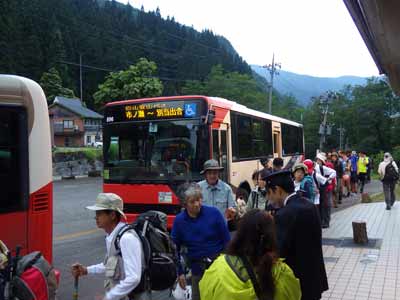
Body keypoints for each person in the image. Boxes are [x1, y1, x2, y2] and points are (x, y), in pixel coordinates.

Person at [199, 210, 301, 300]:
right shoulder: (283, 274)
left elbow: (205, 294)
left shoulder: (218, 270)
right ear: (271, 236)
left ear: (240, 233)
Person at [262, 171, 328, 300]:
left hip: (297, 282)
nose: (269, 199)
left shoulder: (284, 214)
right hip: (314, 278)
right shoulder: (309, 205)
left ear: (278, 190)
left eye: (269, 193)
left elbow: (279, 251)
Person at [71, 193, 147, 300]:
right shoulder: (112, 236)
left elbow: (134, 278)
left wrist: (109, 297)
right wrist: (87, 270)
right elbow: (111, 265)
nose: (95, 217)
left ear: (112, 215)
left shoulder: (127, 238)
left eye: (99, 213)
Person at [171, 183, 230, 300]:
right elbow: (173, 248)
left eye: (199, 200)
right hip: (197, 270)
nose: (197, 204)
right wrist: (180, 272)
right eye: (192, 202)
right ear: (185, 204)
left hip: (218, 268)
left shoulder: (214, 213)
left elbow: (227, 242)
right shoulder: (179, 221)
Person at [315, 153, 336, 228]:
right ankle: (322, 221)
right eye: (317, 159)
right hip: (321, 188)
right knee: (321, 205)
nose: (317, 161)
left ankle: (326, 222)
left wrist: (328, 179)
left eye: (318, 160)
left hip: (327, 188)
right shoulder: (317, 167)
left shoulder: (324, 167)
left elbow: (334, 173)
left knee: (326, 205)